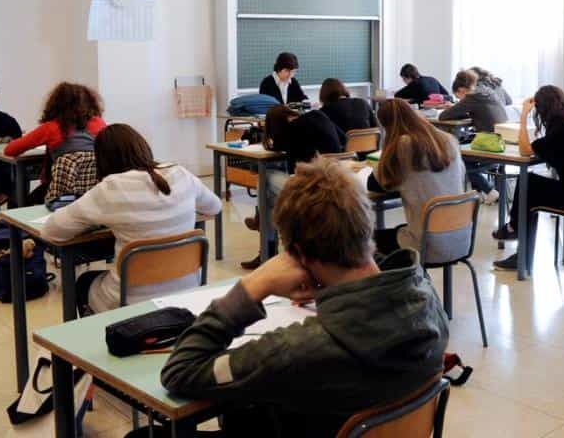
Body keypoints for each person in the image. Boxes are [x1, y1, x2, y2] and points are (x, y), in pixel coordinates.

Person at [151, 158, 449, 437]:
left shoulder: (296, 350)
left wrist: (256, 283)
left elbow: (181, 371)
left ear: (299, 254)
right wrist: (336, 296)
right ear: (365, 225)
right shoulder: (425, 298)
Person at [44, 124, 222, 315]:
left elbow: (51, 230)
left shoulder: (110, 189)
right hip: (187, 290)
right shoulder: (180, 173)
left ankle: (100, 338)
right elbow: (215, 207)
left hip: (130, 300)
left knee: (84, 281)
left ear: (102, 160)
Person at [492, 86, 564, 271]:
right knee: (531, 186)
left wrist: (523, 118)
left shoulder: (562, 131)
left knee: (527, 183)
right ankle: (515, 232)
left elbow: (525, 150)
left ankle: (517, 239)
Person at [242, 104, 347, 269]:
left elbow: (290, 164)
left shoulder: (290, 132)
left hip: (314, 186)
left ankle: (265, 242)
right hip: (338, 179)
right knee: (272, 197)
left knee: (266, 178)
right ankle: (262, 223)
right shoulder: (318, 115)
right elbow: (344, 139)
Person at [368, 99, 466, 258]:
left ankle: (389, 282)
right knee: (402, 229)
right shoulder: (447, 139)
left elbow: (375, 184)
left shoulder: (402, 145)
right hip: (460, 237)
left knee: (364, 241)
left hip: (427, 245)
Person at [5, 82, 106, 202]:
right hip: (94, 195)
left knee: (23, 202)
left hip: (59, 196)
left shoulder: (51, 127)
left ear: (56, 104)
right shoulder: (99, 124)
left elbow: (10, 150)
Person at [440, 69, 508, 204]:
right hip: (502, 139)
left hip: (489, 141)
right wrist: (459, 107)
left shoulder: (471, 97)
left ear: (461, 90)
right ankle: (480, 192)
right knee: (467, 152)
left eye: (458, 97)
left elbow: (443, 116)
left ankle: (488, 190)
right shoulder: (486, 91)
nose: (459, 100)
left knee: (459, 156)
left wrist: (454, 107)